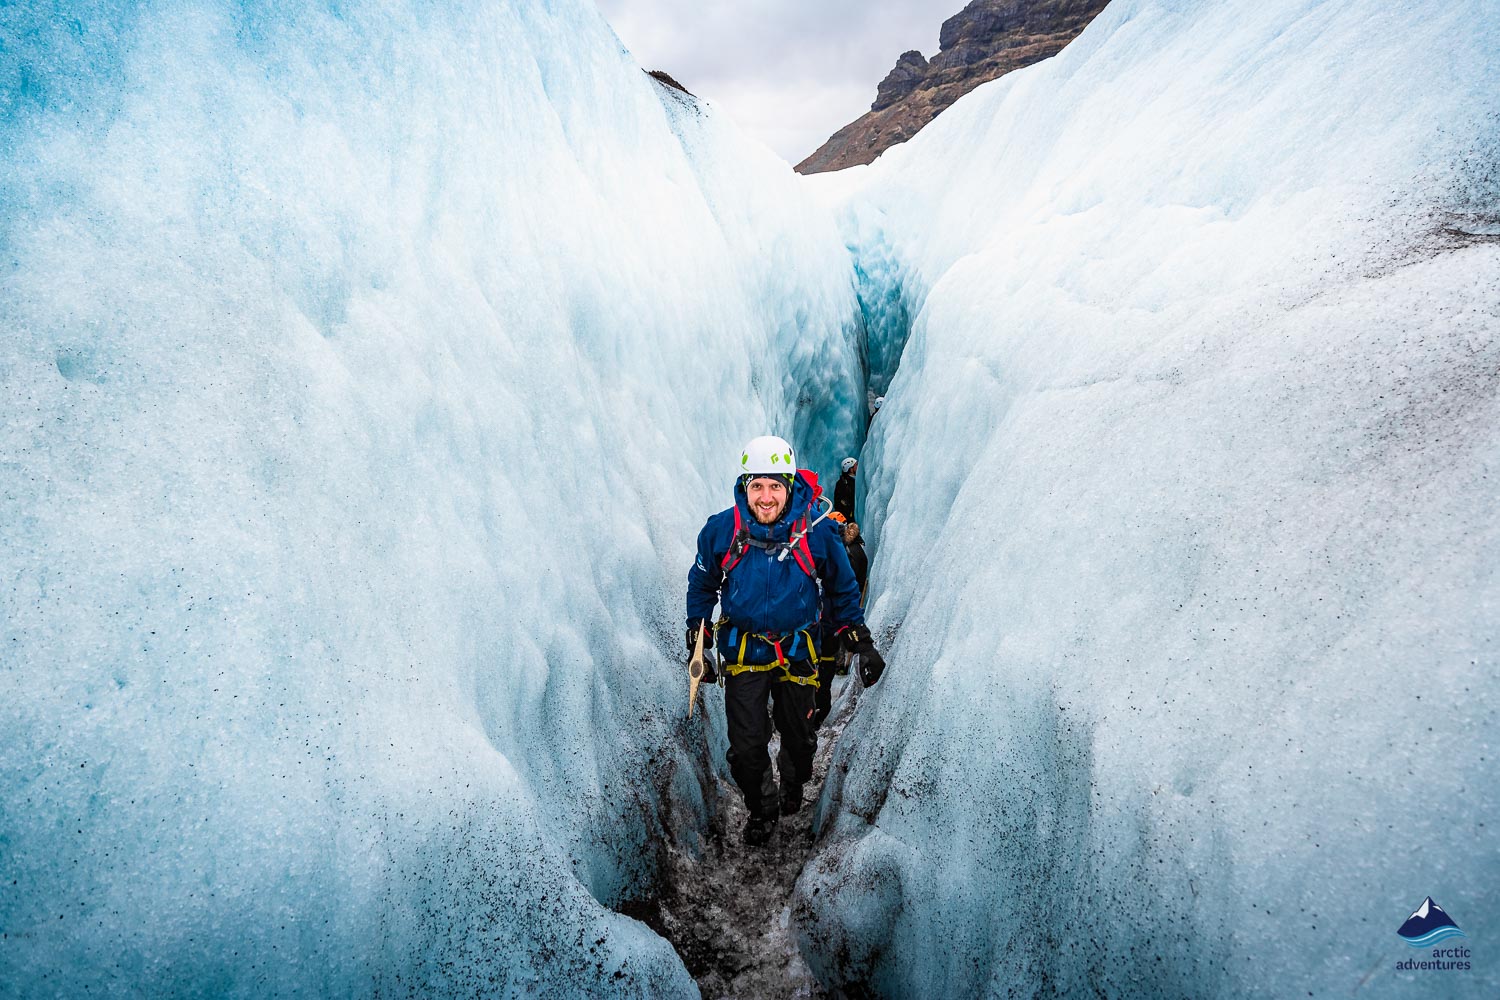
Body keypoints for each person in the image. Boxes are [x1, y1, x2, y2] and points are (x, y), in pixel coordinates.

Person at [686, 435, 886, 846]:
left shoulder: (816, 532)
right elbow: (703, 583)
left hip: (798, 650)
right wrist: (698, 631)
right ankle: (762, 808)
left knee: (800, 737)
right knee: (745, 747)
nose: (765, 496)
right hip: (745, 651)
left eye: (775, 485)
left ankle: (794, 783)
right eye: (757, 485)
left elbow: (841, 588)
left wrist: (859, 639)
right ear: (745, 486)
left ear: (790, 487)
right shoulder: (723, 530)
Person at [834, 457, 858, 521]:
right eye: (856, 465)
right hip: (848, 518)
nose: (858, 467)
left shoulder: (842, 482)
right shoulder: (845, 484)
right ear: (850, 469)